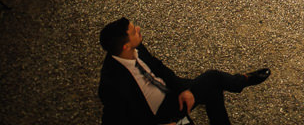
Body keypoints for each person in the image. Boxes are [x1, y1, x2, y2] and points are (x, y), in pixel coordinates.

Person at [98, 17, 270, 125]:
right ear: (125, 46)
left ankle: (242, 80)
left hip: (173, 95)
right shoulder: (111, 84)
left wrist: (182, 90)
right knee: (213, 89)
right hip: (157, 118)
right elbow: (114, 120)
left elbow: (159, 68)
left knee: (213, 79)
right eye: (134, 31)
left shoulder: (137, 47)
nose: (139, 30)